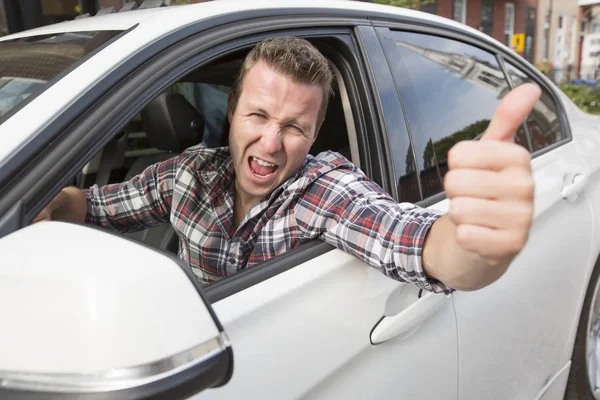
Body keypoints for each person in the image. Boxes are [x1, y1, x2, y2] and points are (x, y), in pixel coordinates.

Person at [34, 37, 538, 293]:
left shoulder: (321, 191)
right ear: (231, 111)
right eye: (257, 115)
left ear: (314, 136)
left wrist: (475, 246)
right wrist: (46, 201)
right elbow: (95, 206)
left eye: (294, 127)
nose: (271, 143)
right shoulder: (187, 175)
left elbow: (411, 239)